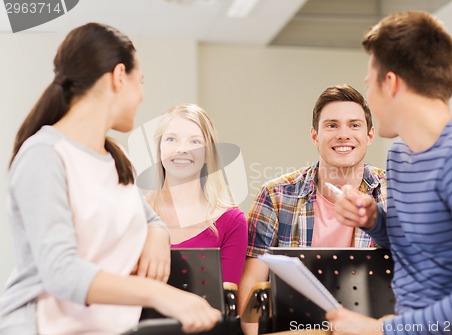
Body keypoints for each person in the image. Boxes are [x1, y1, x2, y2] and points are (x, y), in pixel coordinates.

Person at [0, 23, 221, 335]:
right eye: (140, 81)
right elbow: (60, 272)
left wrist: (158, 233)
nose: (142, 94)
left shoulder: (116, 160)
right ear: (119, 76)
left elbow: (149, 218)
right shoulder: (44, 155)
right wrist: (160, 293)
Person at [328, 11, 452, 335]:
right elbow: (417, 248)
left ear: (390, 83)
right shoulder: (400, 156)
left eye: (370, 85)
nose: (370, 99)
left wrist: (383, 331)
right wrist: (373, 220)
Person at [238, 84, 387, 334]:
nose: (343, 134)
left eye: (354, 125)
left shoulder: (394, 194)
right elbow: (252, 284)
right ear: (315, 136)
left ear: (370, 135)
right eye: (331, 125)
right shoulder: (275, 196)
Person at [146, 103, 247, 285]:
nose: (182, 149)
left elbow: (224, 301)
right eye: (171, 139)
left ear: (209, 153)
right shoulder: (136, 213)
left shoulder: (232, 221)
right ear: (159, 148)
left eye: (195, 141)